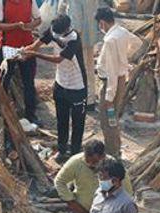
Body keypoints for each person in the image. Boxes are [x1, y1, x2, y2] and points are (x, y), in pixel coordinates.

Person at [23, 15, 87, 160]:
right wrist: (23, 51)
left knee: (78, 124)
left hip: (77, 87)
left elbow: (58, 59)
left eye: (58, 34)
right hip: (60, 84)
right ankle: (62, 149)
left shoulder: (74, 39)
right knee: (61, 120)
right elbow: (36, 44)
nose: (55, 36)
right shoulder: (53, 30)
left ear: (67, 28)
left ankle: (75, 154)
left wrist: (34, 54)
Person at [94, 7, 141, 157]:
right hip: (120, 80)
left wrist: (108, 97)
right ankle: (116, 148)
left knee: (107, 121)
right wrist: (125, 58)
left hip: (111, 83)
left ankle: (112, 153)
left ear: (102, 23)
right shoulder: (121, 31)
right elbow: (137, 43)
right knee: (113, 119)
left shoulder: (110, 40)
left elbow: (111, 72)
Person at [0, 0, 41, 125]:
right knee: (4, 82)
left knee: (29, 82)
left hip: (26, 46)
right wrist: (15, 26)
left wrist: (30, 26)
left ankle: (31, 115)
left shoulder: (30, 1)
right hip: (8, 46)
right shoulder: (2, 2)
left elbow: (38, 19)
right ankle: (2, 116)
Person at [67, 0, 98, 106]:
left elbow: (76, 25)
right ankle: (90, 98)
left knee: (80, 70)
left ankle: (83, 99)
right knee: (89, 68)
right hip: (91, 37)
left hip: (79, 41)